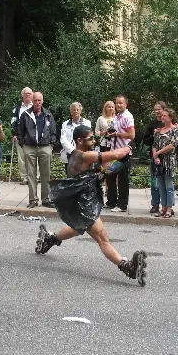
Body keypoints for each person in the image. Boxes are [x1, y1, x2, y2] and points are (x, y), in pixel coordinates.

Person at [36, 125, 147, 286]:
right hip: (84, 205)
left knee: (76, 228)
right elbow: (115, 154)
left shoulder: (75, 154)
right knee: (102, 238)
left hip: (82, 201)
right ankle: (127, 267)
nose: (94, 141)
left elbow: (102, 169)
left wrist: (118, 163)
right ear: (80, 141)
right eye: (90, 138)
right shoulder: (85, 155)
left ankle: (50, 239)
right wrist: (129, 146)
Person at [17, 91, 56, 208]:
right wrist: (23, 145)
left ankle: (46, 199)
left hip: (45, 148)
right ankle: (33, 200)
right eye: (35, 100)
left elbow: (53, 131)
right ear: (32, 101)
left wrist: (51, 145)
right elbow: (20, 132)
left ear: (42, 101)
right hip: (30, 148)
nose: (37, 102)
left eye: (39, 100)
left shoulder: (48, 115)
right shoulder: (25, 115)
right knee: (31, 175)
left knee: (46, 174)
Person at [105, 95, 135, 212]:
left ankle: (122, 205)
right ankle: (111, 202)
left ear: (125, 104)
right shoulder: (117, 116)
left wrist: (117, 134)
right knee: (110, 175)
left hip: (124, 152)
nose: (118, 105)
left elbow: (131, 135)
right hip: (114, 152)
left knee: (123, 180)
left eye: (120, 103)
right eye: (117, 103)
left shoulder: (128, 116)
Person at [151, 108, 178, 218]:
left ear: (171, 117)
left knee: (169, 186)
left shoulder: (175, 130)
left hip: (169, 161)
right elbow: (154, 145)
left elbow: (172, 145)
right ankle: (163, 208)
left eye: (165, 116)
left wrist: (158, 152)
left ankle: (169, 209)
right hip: (159, 162)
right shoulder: (159, 131)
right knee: (161, 186)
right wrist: (155, 156)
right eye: (162, 115)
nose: (162, 117)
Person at [141, 102, 165, 214]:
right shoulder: (152, 124)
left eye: (159, 109)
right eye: (155, 109)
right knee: (155, 182)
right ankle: (155, 204)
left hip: (168, 157)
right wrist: (153, 135)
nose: (157, 112)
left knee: (167, 183)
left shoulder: (170, 122)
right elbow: (145, 140)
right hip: (155, 156)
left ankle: (167, 205)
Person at [60, 101, 92, 174]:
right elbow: (63, 139)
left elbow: (87, 137)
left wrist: (79, 151)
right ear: (71, 111)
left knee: (83, 175)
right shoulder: (65, 124)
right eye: (74, 110)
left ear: (81, 111)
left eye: (78, 109)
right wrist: (73, 150)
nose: (76, 111)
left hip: (83, 153)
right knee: (70, 175)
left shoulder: (87, 122)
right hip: (69, 153)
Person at [10, 87, 33, 185]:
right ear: (22, 95)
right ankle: (24, 178)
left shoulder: (36, 107)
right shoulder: (17, 108)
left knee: (33, 158)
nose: (27, 95)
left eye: (29, 93)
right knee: (21, 158)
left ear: (32, 95)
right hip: (21, 137)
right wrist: (14, 134)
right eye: (25, 93)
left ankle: (34, 177)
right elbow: (13, 122)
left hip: (33, 137)